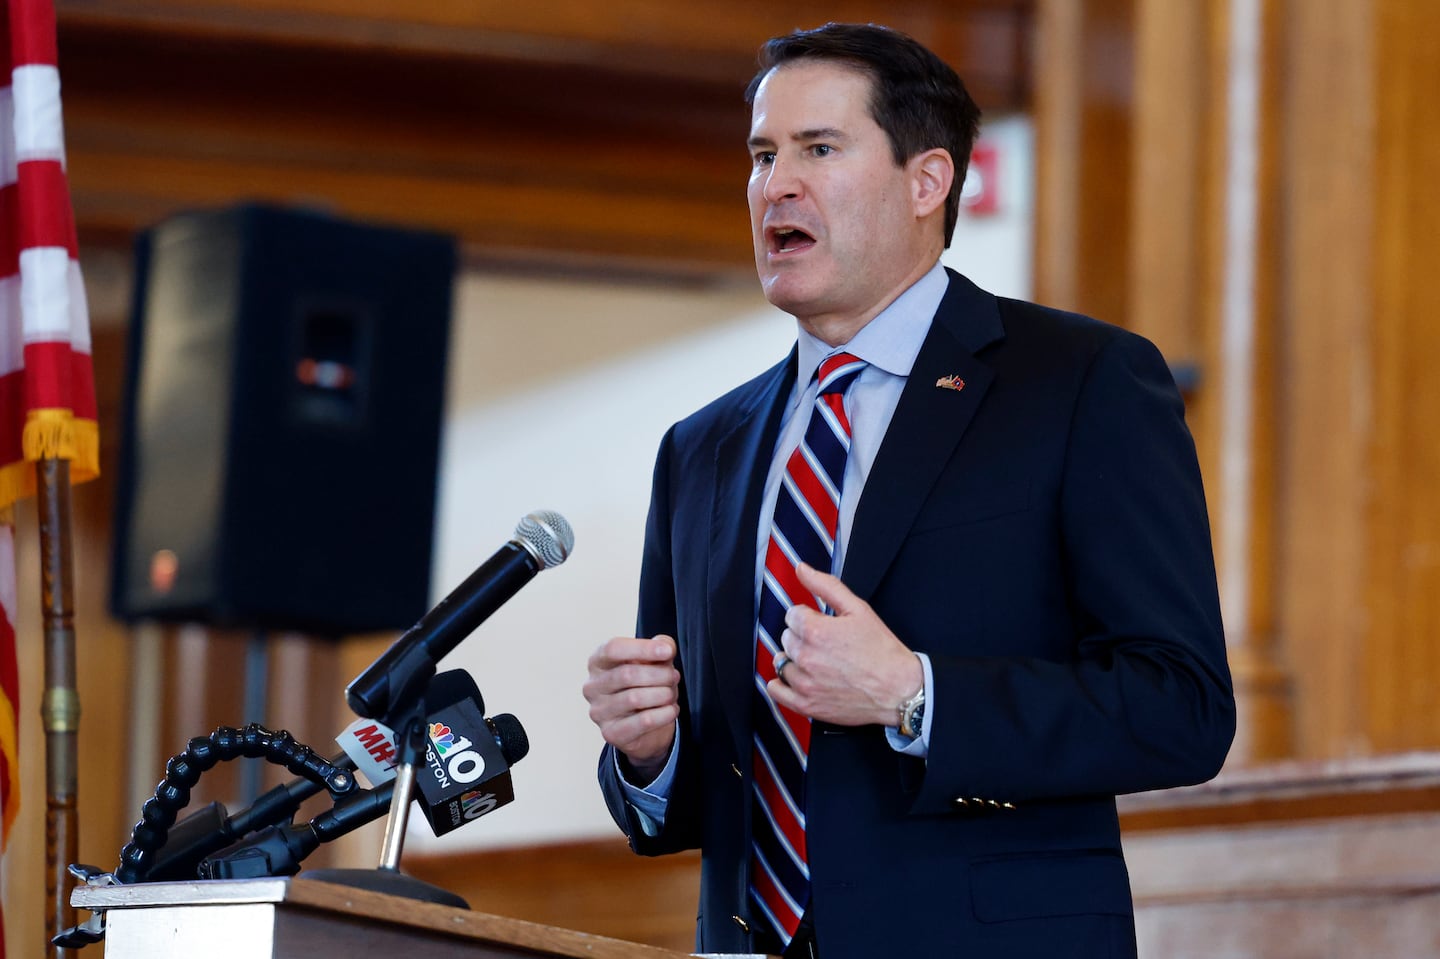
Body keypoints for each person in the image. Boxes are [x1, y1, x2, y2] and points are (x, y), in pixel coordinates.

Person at [583, 21, 1234, 959]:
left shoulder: (1080, 380)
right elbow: (693, 796)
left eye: (819, 148)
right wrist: (649, 751)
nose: (778, 185)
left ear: (928, 181)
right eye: (764, 155)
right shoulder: (702, 448)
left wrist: (916, 696)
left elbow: (1182, 709)